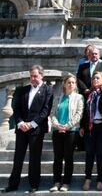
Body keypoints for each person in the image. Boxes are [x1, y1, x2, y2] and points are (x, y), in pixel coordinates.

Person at [3, 65, 53, 193]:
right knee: (18, 157)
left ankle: (34, 184)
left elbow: (45, 111)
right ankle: (13, 184)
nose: (33, 78)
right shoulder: (22, 90)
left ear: (42, 75)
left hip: (36, 129)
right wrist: (20, 123)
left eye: (35, 76)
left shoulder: (48, 90)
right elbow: (16, 108)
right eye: (31, 76)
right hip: (21, 128)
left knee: (35, 158)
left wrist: (32, 124)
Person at [49, 74, 84, 192]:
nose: (71, 84)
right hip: (57, 131)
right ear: (64, 84)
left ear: (75, 85)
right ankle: (56, 182)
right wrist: (57, 125)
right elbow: (52, 113)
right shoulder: (58, 97)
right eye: (69, 82)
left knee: (68, 158)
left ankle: (66, 183)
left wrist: (67, 126)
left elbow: (79, 114)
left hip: (71, 132)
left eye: (73, 82)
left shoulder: (79, 98)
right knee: (57, 158)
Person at [79, 72, 102, 191]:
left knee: (100, 153)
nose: (95, 80)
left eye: (98, 78)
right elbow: (85, 112)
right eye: (93, 78)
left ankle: (100, 179)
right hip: (90, 127)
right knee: (89, 153)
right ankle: (87, 178)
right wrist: (82, 126)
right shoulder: (89, 94)